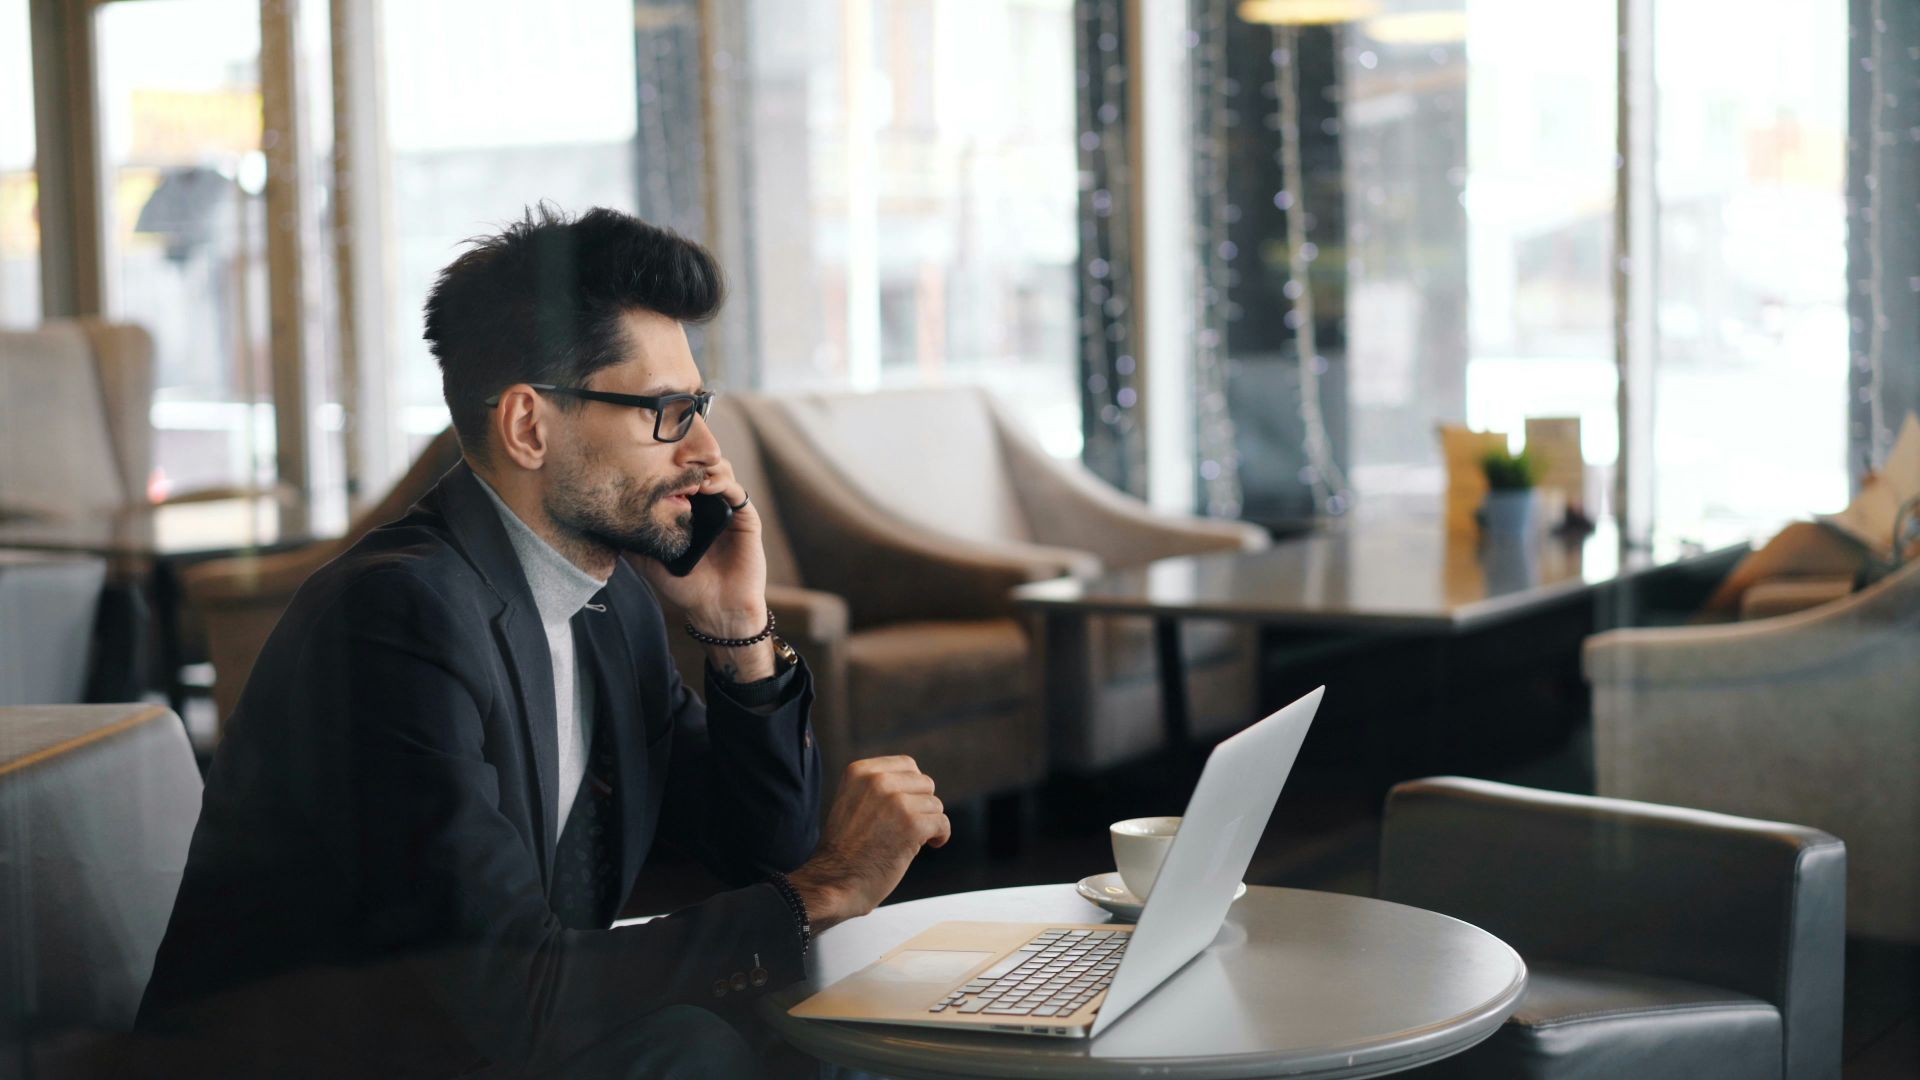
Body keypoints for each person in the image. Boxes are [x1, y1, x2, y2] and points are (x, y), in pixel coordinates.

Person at [135, 206, 950, 1078]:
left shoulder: (609, 603)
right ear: (529, 426)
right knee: (703, 1047)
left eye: (698, 407)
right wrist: (822, 892)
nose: (708, 453)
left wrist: (737, 632)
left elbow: (761, 857)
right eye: (667, 411)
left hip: (478, 1039)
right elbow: (506, 993)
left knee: (792, 1030)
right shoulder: (394, 618)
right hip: (330, 1058)